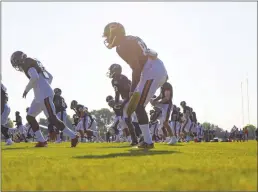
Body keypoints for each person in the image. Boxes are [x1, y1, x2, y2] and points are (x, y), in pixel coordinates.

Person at [103, 22, 168, 149]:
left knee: (137, 105)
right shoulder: (131, 38)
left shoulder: (122, 46)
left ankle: (148, 142)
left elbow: (136, 68)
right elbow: (150, 53)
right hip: (155, 67)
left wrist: (132, 90)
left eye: (108, 36)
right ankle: (145, 138)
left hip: (150, 71)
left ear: (114, 34)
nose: (107, 39)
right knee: (139, 106)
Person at [10, 51, 79, 147]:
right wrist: (44, 86)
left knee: (53, 119)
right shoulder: (33, 62)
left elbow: (34, 77)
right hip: (39, 95)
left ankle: (73, 136)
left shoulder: (27, 63)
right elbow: (50, 77)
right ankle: (42, 141)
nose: (17, 65)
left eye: (16, 62)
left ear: (19, 60)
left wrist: (26, 90)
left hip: (43, 94)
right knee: (30, 116)